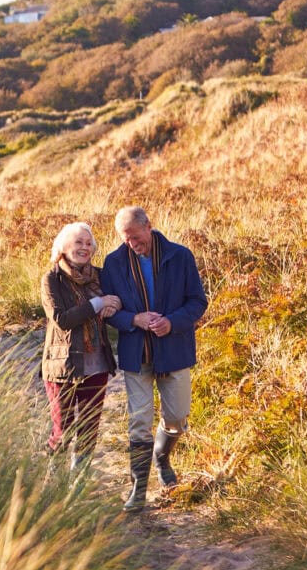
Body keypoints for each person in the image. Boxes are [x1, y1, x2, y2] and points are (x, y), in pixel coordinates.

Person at [100, 207, 208, 511]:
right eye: (126, 239)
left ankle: (162, 457)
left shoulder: (180, 256)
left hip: (174, 350)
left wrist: (172, 322)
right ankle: (138, 489)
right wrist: (133, 319)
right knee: (138, 422)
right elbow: (109, 312)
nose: (133, 244)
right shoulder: (113, 263)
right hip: (137, 354)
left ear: (149, 226)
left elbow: (198, 301)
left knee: (177, 418)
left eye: (136, 237)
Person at [41, 222, 120, 471]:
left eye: (88, 243)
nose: (84, 248)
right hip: (62, 366)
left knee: (88, 428)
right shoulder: (52, 278)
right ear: (63, 246)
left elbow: (116, 300)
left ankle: (79, 484)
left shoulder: (100, 276)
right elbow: (62, 319)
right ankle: (54, 478)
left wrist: (112, 306)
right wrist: (98, 304)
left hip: (97, 364)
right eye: (78, 242)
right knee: (63, 429)